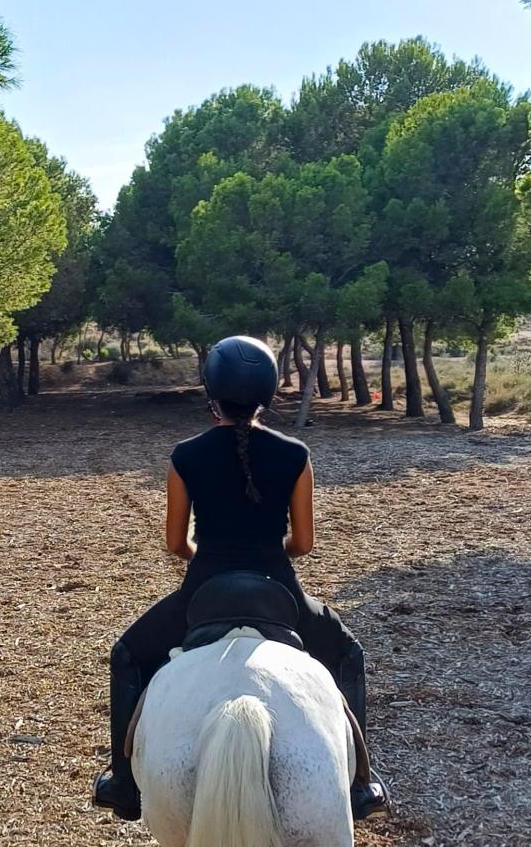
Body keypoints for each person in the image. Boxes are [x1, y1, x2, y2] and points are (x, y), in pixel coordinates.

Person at [92, 334, 389, 822]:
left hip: (203, 589)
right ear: (266, 395)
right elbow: (304, 543)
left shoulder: (185, 456)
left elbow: (174, 544)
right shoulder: (295, 454)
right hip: (280, 589)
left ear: (212, 394)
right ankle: (362, 783)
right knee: (348, 652)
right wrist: (277, 550)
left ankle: (122, 781)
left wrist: (199, 551)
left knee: (126, 654)